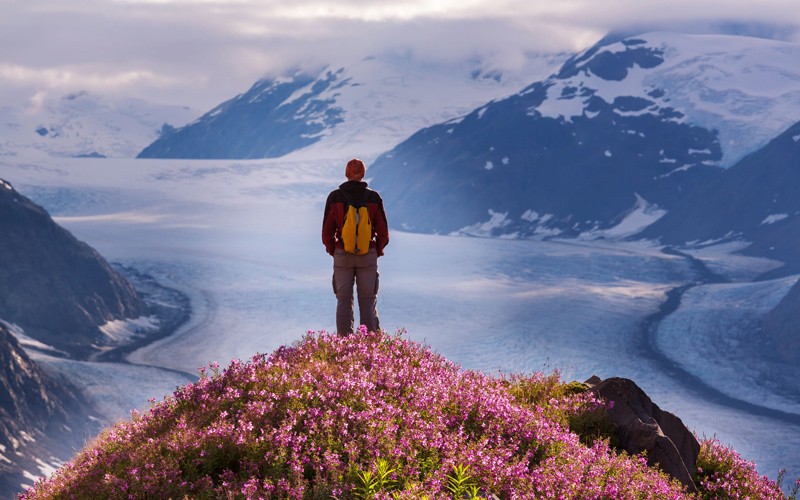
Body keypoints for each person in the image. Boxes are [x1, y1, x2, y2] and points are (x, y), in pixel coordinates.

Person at [322, 158, 389, 335]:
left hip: (342, 253)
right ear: (363, 174)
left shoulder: (335, 197)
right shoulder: (373, 198)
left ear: (346, 174)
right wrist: (376, 251)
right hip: (368, 254)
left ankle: (345, 345)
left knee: (344, 300)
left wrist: (335, 250)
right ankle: (370, 346)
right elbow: (383, 233)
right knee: (367, 300)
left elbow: (326, 232)